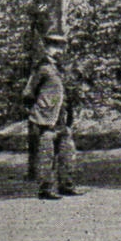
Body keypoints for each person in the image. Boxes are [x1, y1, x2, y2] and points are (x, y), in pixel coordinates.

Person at [25, 32, 80, 199]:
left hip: (62, 118)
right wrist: (39, 111)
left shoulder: (61, 69)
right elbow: (28, 93)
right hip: (46, 119)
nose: (58, 50)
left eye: (61, 46)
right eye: (55, 46)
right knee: (46, 154)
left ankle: (66, 185)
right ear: (47, 48)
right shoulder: (42, 68)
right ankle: (45, 189)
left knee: (67, 153)